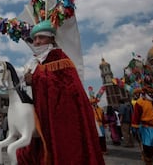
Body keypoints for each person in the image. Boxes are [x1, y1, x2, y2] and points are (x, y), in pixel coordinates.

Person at [16, 20, 105, 164]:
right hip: (40, 114)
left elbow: (68, 88)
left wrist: (35, 79)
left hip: (60, 118)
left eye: (41, 37)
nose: (37, 42)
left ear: (51, 38)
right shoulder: (35, 62)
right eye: (35, 39)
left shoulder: (60, 58)